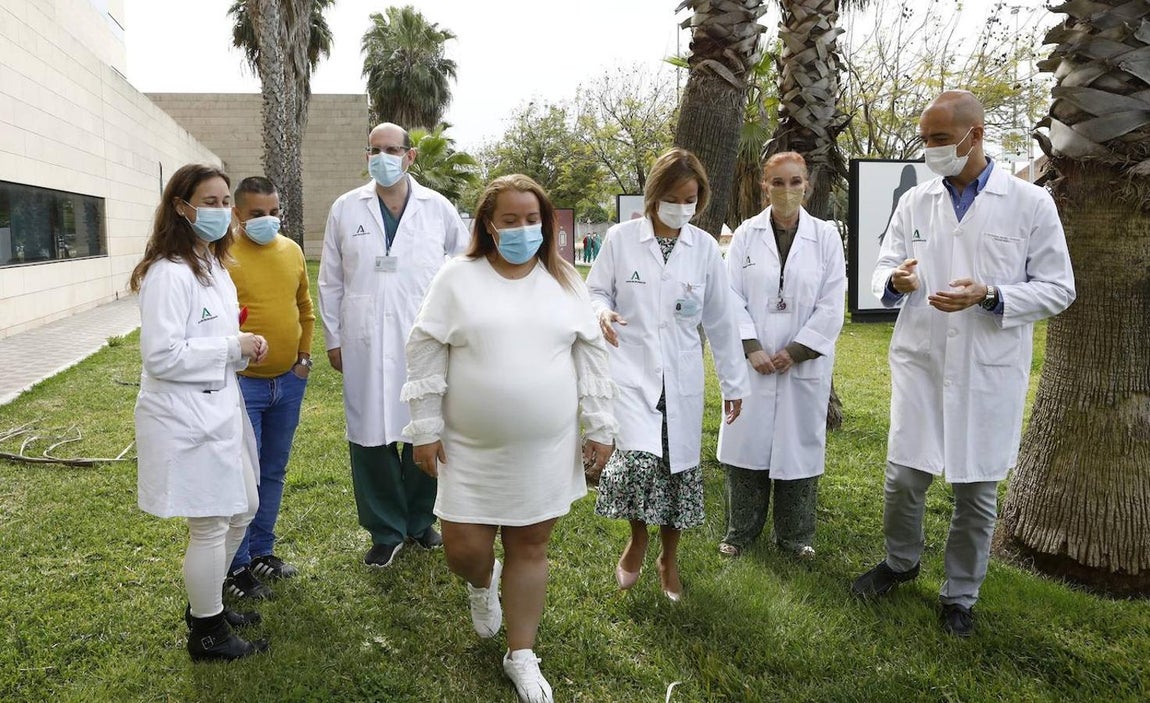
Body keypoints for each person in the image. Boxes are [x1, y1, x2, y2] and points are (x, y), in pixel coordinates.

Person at [850, 91, 1075, 637]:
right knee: (905, 476)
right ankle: (900, 563)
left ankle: (960, 596)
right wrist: (896, 279)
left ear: (975, 136)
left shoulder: (1029, 203)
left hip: (986, 366)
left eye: (939, 140)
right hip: (923, 359)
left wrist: (992, 295)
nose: (929, 150)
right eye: (924, 139)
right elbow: (887, 261)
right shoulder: (916, 201)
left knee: (976, 489)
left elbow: (1059, 289)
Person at [403, 174, 616, 703]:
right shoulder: (458, 278)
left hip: (544, 447)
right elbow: (426, 348)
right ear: (488, 226)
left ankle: (521, 653)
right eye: (511, 219)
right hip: (469, 449)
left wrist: (601, 426)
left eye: (532, 218)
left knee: (532, 544)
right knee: (463, 549)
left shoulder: (565, 280)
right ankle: (482, 582)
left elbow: (590, 355)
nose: (524, 228)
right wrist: (425, 429)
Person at [587, 147, 749, 601]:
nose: (683, 207)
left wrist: (734, 384)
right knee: (638, 466)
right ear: (655, 195)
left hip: (678, 377)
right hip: (632, 372)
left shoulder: (703, 249)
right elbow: (595, 289)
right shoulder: (621, 239)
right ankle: (638, 539)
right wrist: (601, 311)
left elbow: (720, 320)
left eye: (692, 198)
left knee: (679, 472)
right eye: (675, 197)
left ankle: (668, 558)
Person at [130, 164, 269, 661]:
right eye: (209, 201)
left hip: (220, 408)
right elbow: (162, 355)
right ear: (181, 207)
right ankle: (207, 632)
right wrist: (233, 346)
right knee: (210, 524)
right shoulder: (169, 274)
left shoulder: (213, 269)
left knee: (242, 509)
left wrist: (240, 346)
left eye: (225, 201)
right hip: (185, 417)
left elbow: (214, 340)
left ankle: (205, 604)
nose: (221, 211)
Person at [318, 122, 469, 567]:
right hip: (363, 338)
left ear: (410, 156)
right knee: (370, 435)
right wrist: (333, 339)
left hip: (425, 337)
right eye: (373, 150)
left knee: (425, 426)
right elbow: (330, 281)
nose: (381, 157)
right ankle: (385, 529)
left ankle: (421, 521)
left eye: (390, 149)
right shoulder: (346, 208)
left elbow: (464, 268)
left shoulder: (438, 208)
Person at [715, 151, 846, 560]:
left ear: (807, 184)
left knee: (799, 449)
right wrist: (751, 348)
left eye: (795, 182)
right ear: (764, 186)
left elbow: (832, 300)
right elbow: (728, 296)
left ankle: (795, 537)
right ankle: (740, 534)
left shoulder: (825, 236)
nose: (787, 190)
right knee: (746, 451)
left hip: (801, 364)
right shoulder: (745, 236)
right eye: (778, 182)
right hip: (752, 364)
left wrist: (796, 350)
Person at [220, 176, 315, 601]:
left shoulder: (291, 251)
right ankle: (236, 567)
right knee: (244, 477)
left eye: (274, 212)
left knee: (272, 471)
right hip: (243, 386)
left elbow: (304, 309)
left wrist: (304, 359)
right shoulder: (220, 256)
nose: (268, 220)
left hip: (288, 384)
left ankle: (262, 552)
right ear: (236, 214)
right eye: (257, 214)